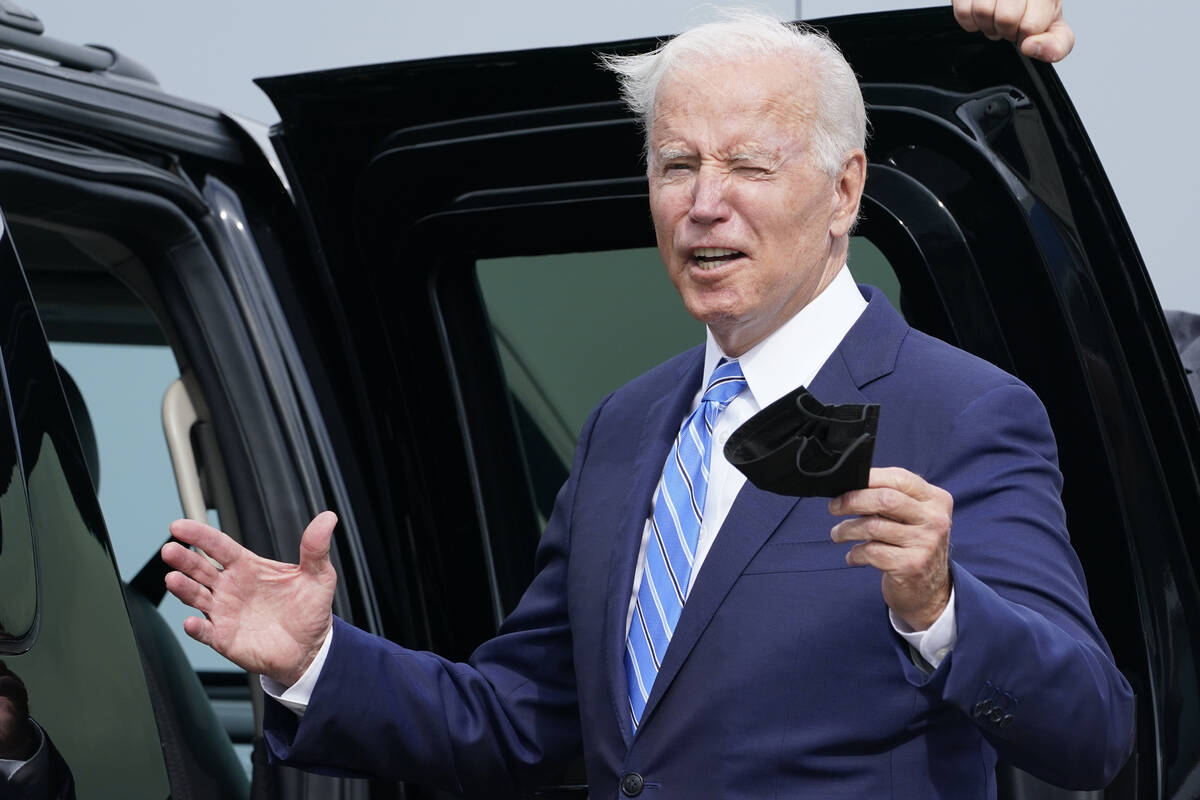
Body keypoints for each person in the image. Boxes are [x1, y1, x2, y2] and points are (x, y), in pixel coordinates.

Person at [163, 3, 1132, 798]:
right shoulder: (624, 426)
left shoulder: (959, 410)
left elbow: (1092, 730)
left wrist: (945, 606)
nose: (704, 202)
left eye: (749, 165)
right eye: (677, 165)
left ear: (845, 192)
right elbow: (520, 717)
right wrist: (314, 660)